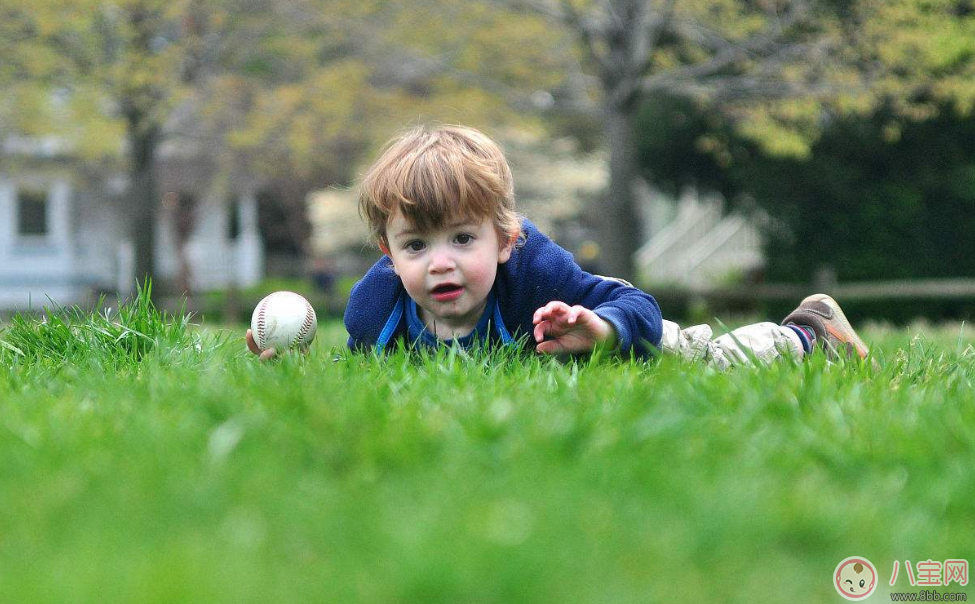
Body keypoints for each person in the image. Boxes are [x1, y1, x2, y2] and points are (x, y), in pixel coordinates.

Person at [247, 124, 868, 366]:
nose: (441, 261)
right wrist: (291, 366)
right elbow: (363, 374)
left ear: (505, 240)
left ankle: (811, 334)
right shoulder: (375, 309)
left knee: (711, 361)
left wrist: (599, 328)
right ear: (387, 253)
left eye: (464, 238)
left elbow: (639, 307)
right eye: (416, 246)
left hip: (633, 349)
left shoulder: (539, 275)